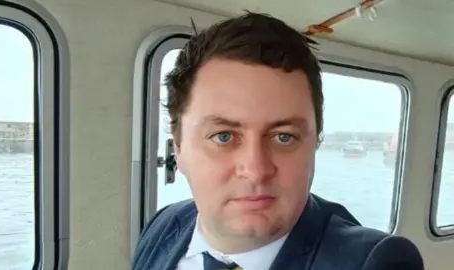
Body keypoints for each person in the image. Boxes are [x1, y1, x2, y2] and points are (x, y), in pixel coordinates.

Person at [131, 11, 424, 270]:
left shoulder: (376, 262)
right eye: (223, 136)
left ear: (314, 144)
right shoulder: (163, 225)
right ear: (179, 148)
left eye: (284, 137)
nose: (256, 170)